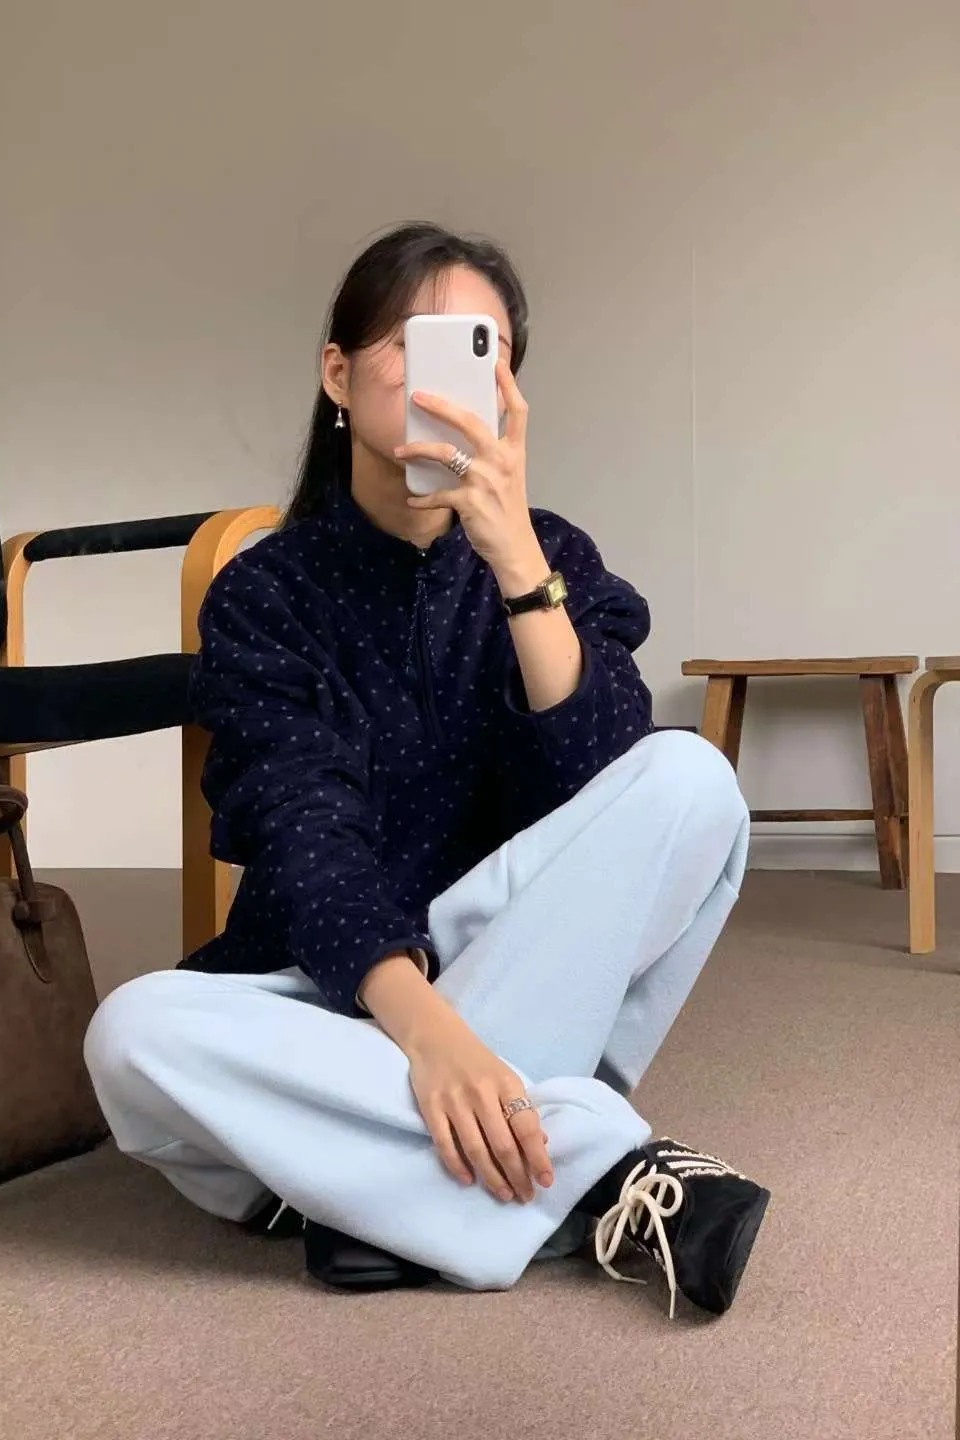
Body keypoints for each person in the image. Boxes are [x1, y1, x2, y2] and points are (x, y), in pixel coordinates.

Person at [83, 222, 768, 1320]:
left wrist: (515, 561)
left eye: (478, 349)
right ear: (338, 374)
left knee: (693, 780)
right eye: (413, 341)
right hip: (328, 987)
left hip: (507, 962)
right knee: (134, 1033)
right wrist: (430, 1036)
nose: (445, 374)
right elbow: (300, 830)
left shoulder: (552, 556)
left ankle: (356, 1188)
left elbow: (603, 788)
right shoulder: (265, 592)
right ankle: (594, 1163)